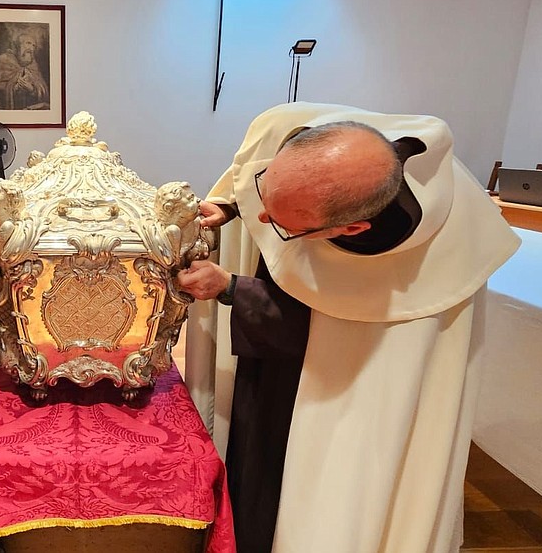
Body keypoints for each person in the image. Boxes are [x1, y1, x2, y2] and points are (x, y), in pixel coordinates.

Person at [177, 103, 520, 553]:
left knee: (299, 477)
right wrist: (231, 204)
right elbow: (257, 179)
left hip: (334, 394)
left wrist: (228, 287)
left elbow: (317, 334)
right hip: (275, 353)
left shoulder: (409, 257)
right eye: (266, 194)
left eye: (279, 224)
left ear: (353, 228)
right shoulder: (289, 128)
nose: (262, 220)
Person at [0, 29, 49, 110]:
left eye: (34, 45)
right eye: (28, 43)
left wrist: (32, 89)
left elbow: (44, 91)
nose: (31, 48)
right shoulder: (5, 60)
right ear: (18, 45)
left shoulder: (34, 65)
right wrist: (15, 87)